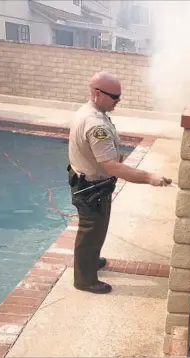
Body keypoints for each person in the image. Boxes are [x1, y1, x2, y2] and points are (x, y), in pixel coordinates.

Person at [67, 71, 171, 294]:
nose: (118, 101)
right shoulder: (96, 125)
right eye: (114, 97)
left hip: (88, 182)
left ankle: (91, 261)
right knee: (91, 231)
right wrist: (149, 177)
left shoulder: (90, 111)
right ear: (97, 93)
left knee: (96, 229)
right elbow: (112, 166)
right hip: (91, 187)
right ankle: (85, 280)